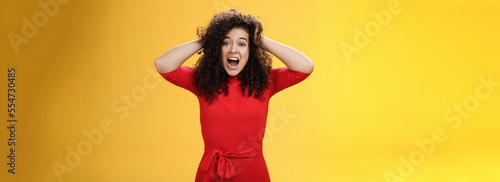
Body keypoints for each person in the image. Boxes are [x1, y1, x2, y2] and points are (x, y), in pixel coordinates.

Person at [155, 9, 314, 182]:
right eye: (225, 43)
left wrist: (261, 40)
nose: (233, 50)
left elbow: (305, 67)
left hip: (253, 171)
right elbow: (163, 64)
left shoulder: (266, 80)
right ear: (217, 48)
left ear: (251, 49)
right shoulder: (202, 80)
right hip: (211, 171)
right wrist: (206, 40)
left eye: (242, 43)